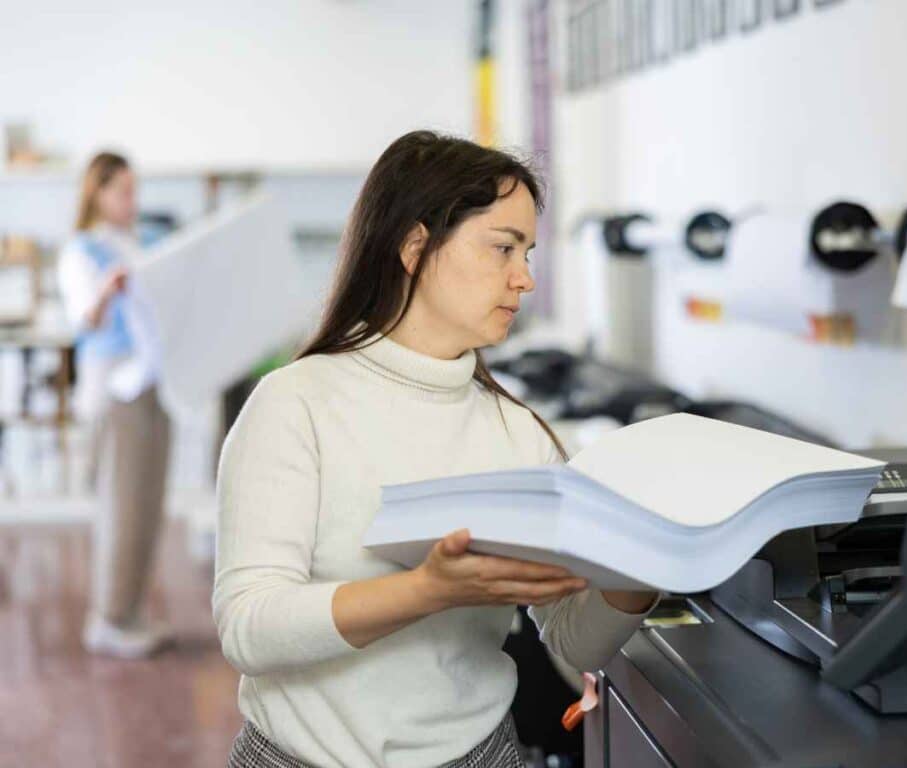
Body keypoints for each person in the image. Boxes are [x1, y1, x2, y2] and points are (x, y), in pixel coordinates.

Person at [214, 131, 660, 768]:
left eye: (528, 253)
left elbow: (570, 641)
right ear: (415, 247)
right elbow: (248, 627)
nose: (525, 279)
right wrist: (428, 589)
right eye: (503, 248)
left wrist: (641, 577)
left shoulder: (519, 434)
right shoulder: (295, 403)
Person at [57, 152, 172, 658]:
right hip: (114, 385)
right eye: (122, 190)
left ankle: (131, 610)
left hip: (152, 380)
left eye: (134, 189)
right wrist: (107, 290)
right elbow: (87, 319)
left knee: (148, 503)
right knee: (121, 504)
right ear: (97, 193)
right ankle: (108, 618)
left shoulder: (138, 242)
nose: (132, 200)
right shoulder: (80, 252)